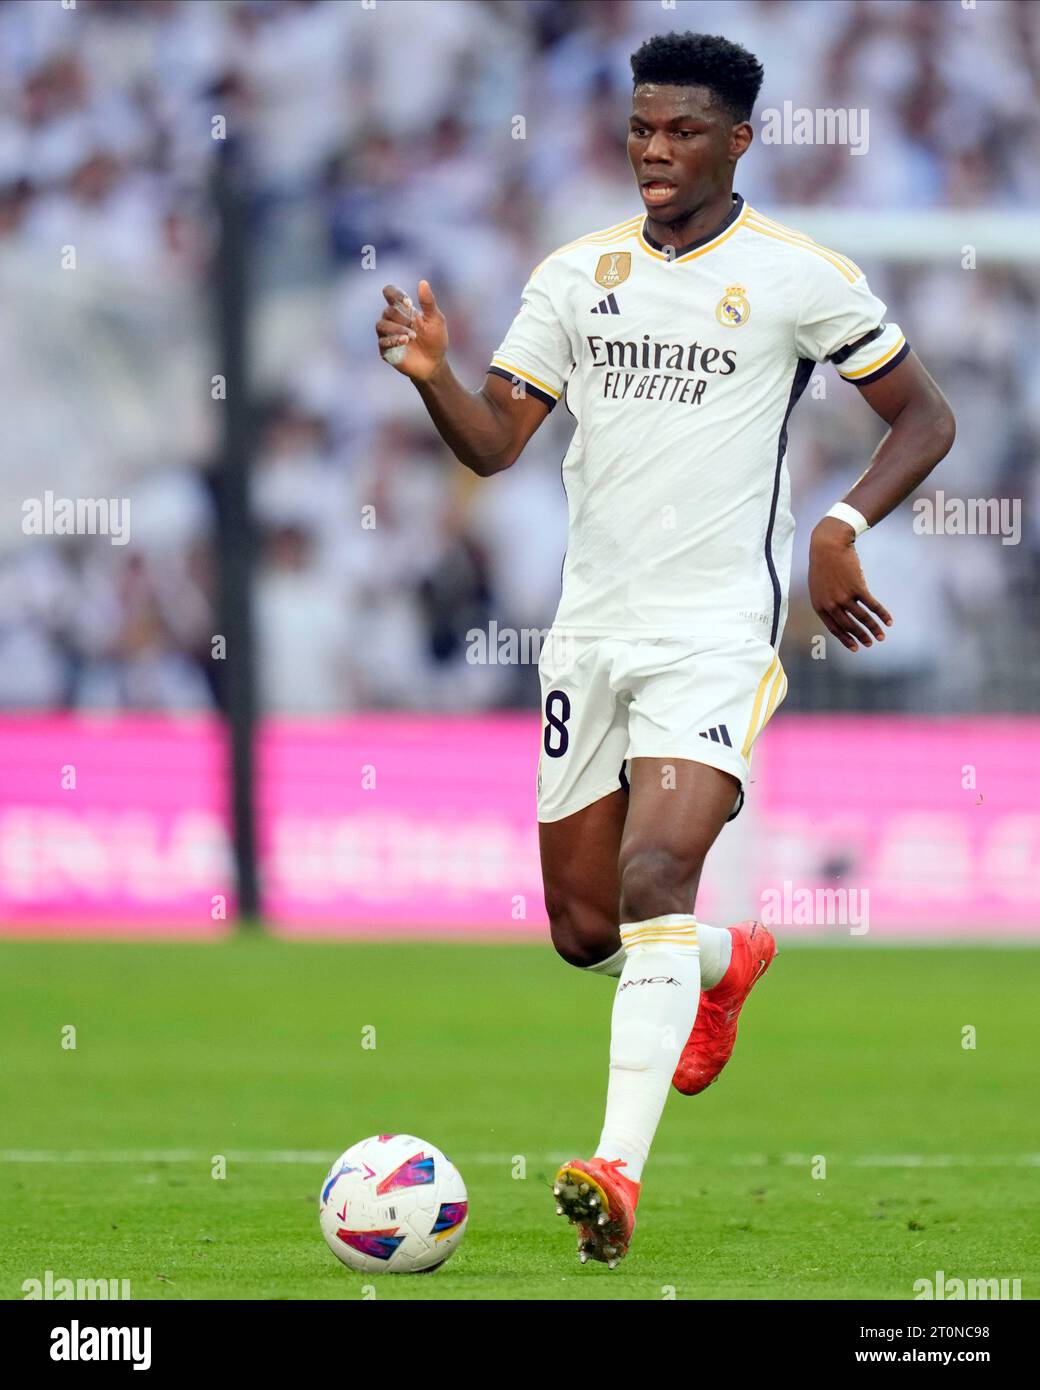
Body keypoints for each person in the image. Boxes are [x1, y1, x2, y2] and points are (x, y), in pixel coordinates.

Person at [373, 31, 955, 1267]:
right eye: (639, 128)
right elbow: (493, 446)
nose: (652, 150)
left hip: (709, 635)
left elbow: (924, 414)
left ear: (738, 139)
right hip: (587, 636)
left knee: (651, 877)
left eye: (680, 130)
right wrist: (430, 375)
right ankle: (720, 961)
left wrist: (839, 524)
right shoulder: (572, 277)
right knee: (586, 928)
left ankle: (614, 1171)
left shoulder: (798, 277)